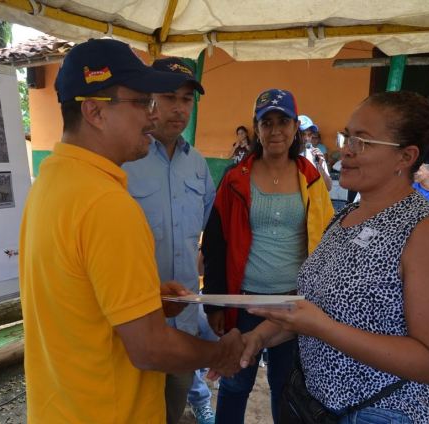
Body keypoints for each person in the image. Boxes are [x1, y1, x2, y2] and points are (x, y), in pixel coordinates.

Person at [18, 38, 244, 424]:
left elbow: (78, 295)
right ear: (94, 112)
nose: (152, 116)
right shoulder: (107, 204)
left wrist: (148, 299)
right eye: (141, 102)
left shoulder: (50, 183)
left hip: (62, 406)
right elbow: (149, 348)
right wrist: (218, 353)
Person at [241, 91, 429, 424]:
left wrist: (322, 328)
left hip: (382, 412)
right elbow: (314, 306)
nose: (345, 150)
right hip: (315, 404)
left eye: (362, 141)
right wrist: (257, 337)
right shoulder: (345, 216)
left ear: (405, 157)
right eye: (348, 137)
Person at [202, 88, 334, 423]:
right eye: (267, 122)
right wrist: (216, 302)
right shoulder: (235, 178)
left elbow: (325, 238)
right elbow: (216, 244)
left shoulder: (312, 178)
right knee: (235, 383)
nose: (276, 130)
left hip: (293, 302)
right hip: (244, 300)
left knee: (285, 386)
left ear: (295, 128)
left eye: (283, 121)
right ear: (257, 129)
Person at [122, 57, 216, 424]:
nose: (179, 108)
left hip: (185, 323)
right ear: (148, 100)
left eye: (187, 100)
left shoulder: (199, 166)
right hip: (138, 323)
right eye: (168, 97)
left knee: (172, 413)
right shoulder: (126, 161)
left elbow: (208, 232)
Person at [299, 114, 332, 190]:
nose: (306, 138)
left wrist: (320, 167)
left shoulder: (315, 155)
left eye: (309, 134)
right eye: (302, 134)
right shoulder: (285, 154)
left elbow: (328, 187)